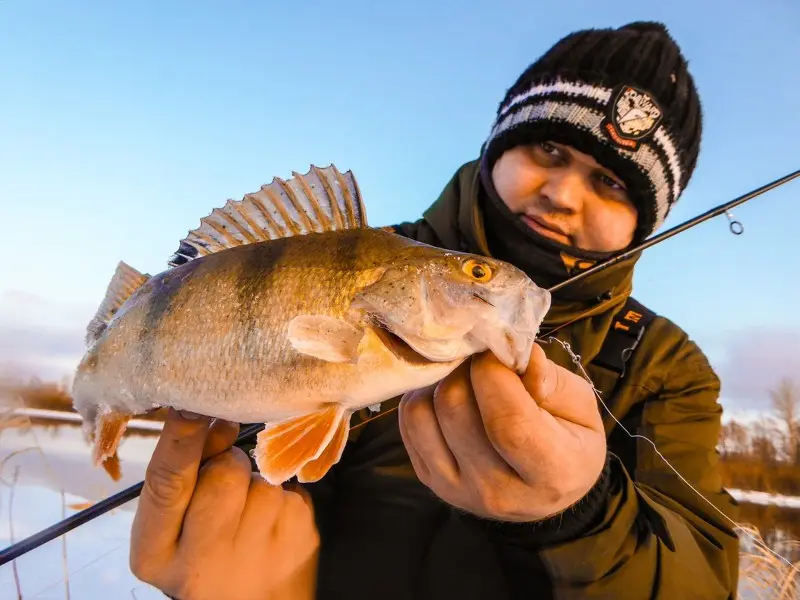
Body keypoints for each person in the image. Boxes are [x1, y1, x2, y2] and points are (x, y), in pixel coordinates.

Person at [129, 21, 741, 600]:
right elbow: (259, 449)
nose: (561, 193)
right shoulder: (344, 258)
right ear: (496, 145)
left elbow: (706, 581)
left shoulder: (665, 367)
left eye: (610, 182)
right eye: (549, 149)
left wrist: (582, 513)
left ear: (646, 219)